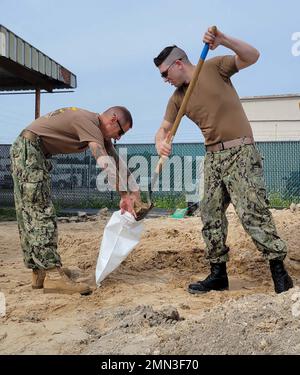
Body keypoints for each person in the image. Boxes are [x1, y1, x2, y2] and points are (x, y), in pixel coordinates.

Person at [153, 27, 293, 294]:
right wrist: (160, 140)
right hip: (213, 157)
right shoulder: (177, 98)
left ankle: (279, 273)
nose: (164, 79)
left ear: (178, 64)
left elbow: (253, 55)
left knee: (252, 213)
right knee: (210, 214)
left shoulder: (215, 67)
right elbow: (163, 128)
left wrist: (224, 41)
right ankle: (218, 274)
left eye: (164, 73)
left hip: (240, 152)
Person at [10, 106, 141, 295]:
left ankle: (40, 272)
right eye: (120, 132)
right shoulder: (89, 123)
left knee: (30, 212)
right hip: (29, 150)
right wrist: (123, 196)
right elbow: (104, 162)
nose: (119, 137)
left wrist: (135, 191)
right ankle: (53, 276)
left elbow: (116, 161)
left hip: (30, 150)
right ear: (113, 119)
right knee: (39, 212)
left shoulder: (98, 130)